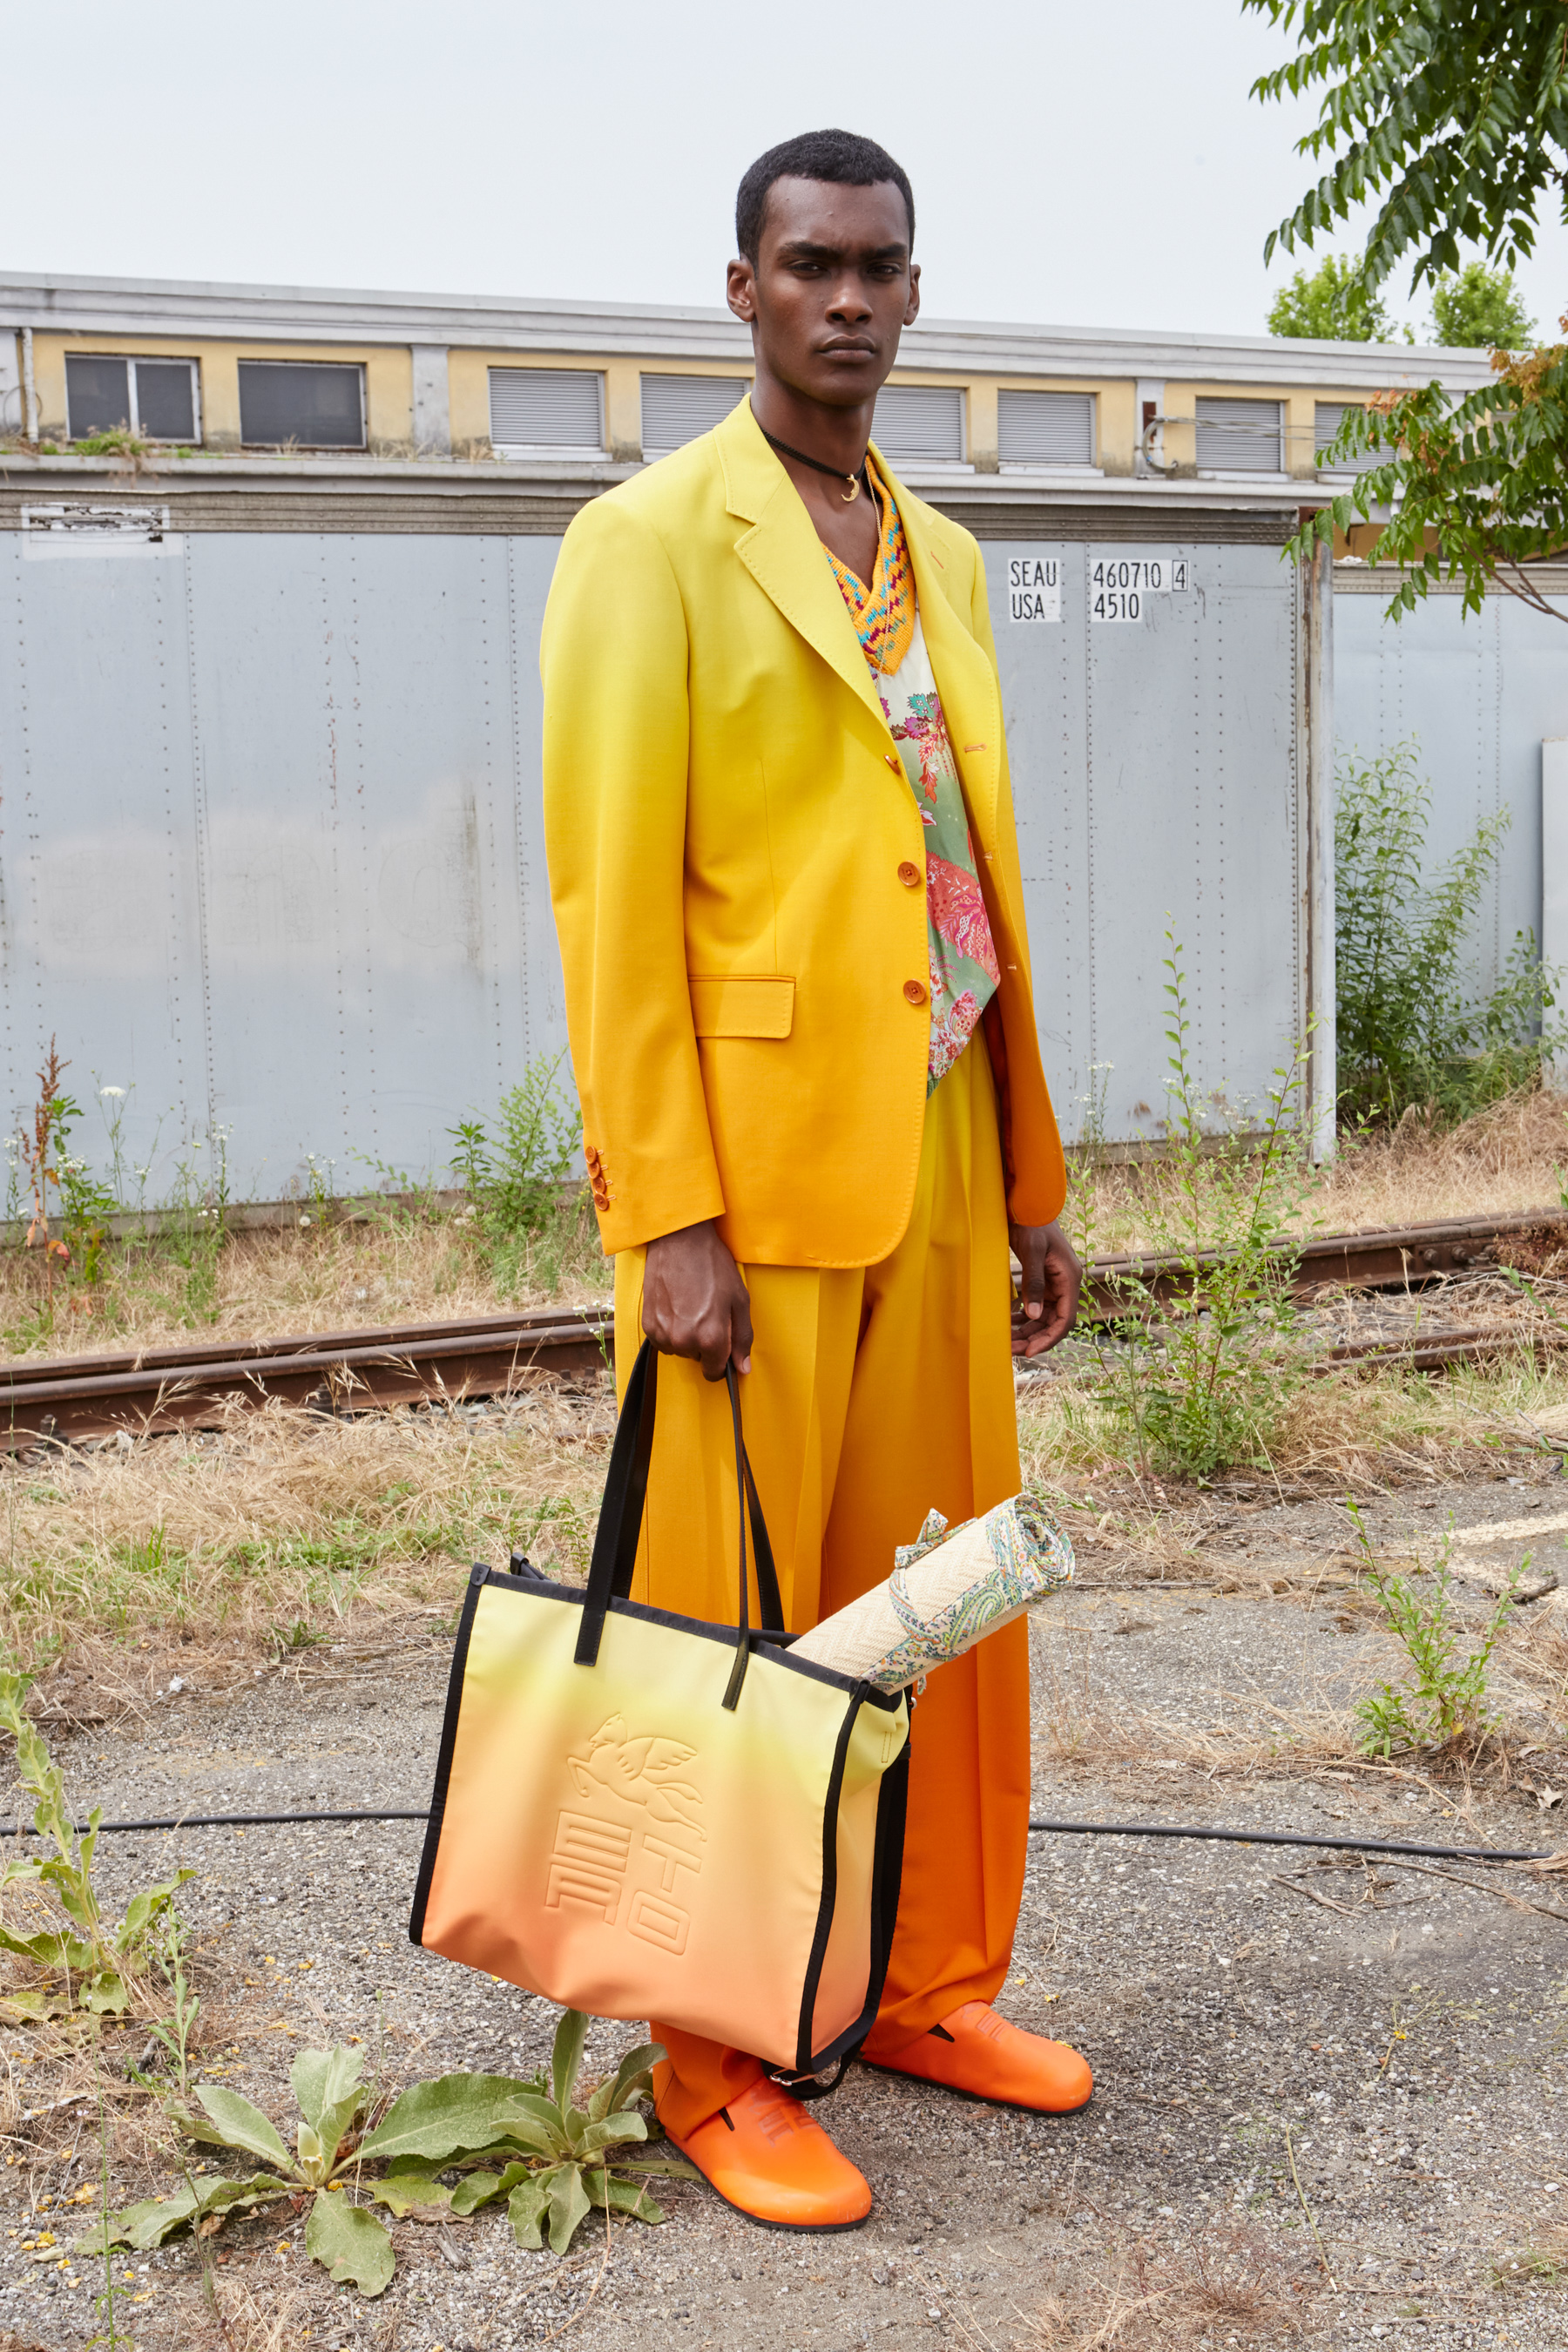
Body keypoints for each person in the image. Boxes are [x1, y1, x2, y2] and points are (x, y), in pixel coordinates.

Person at [542, 126, 1091, 2233]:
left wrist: (1030, 1176)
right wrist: (660, 1214)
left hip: (942, 1147)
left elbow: (967, 864)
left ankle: (933, 1983)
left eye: (880, 267)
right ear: (745, 289)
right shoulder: (650, 540)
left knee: (944, 1600)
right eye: (809, 267)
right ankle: (716, 2054)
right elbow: (618, 903)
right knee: (734, 1623)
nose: (848, 298)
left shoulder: (935, 551)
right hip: (748, 1194)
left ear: (916, 292)